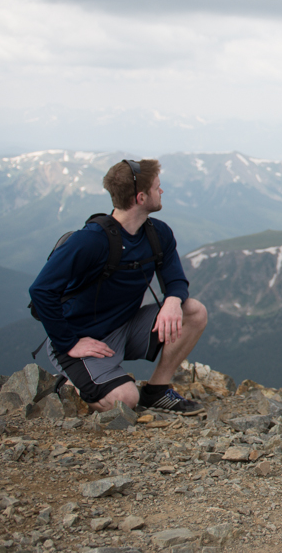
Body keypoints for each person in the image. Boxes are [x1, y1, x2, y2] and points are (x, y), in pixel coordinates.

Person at [29, 158, 208, 414]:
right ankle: (74, 383)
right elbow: (40, 291)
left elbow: (176, 281)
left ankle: (157, 390)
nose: (162, 191)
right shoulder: (89, 241)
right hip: (82, 338)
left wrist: (172, 301)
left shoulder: (158, 234)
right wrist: (69, 343)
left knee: (194, 311)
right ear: (141, 197)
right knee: (125, 400)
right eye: (158, 187)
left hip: (126, 326)